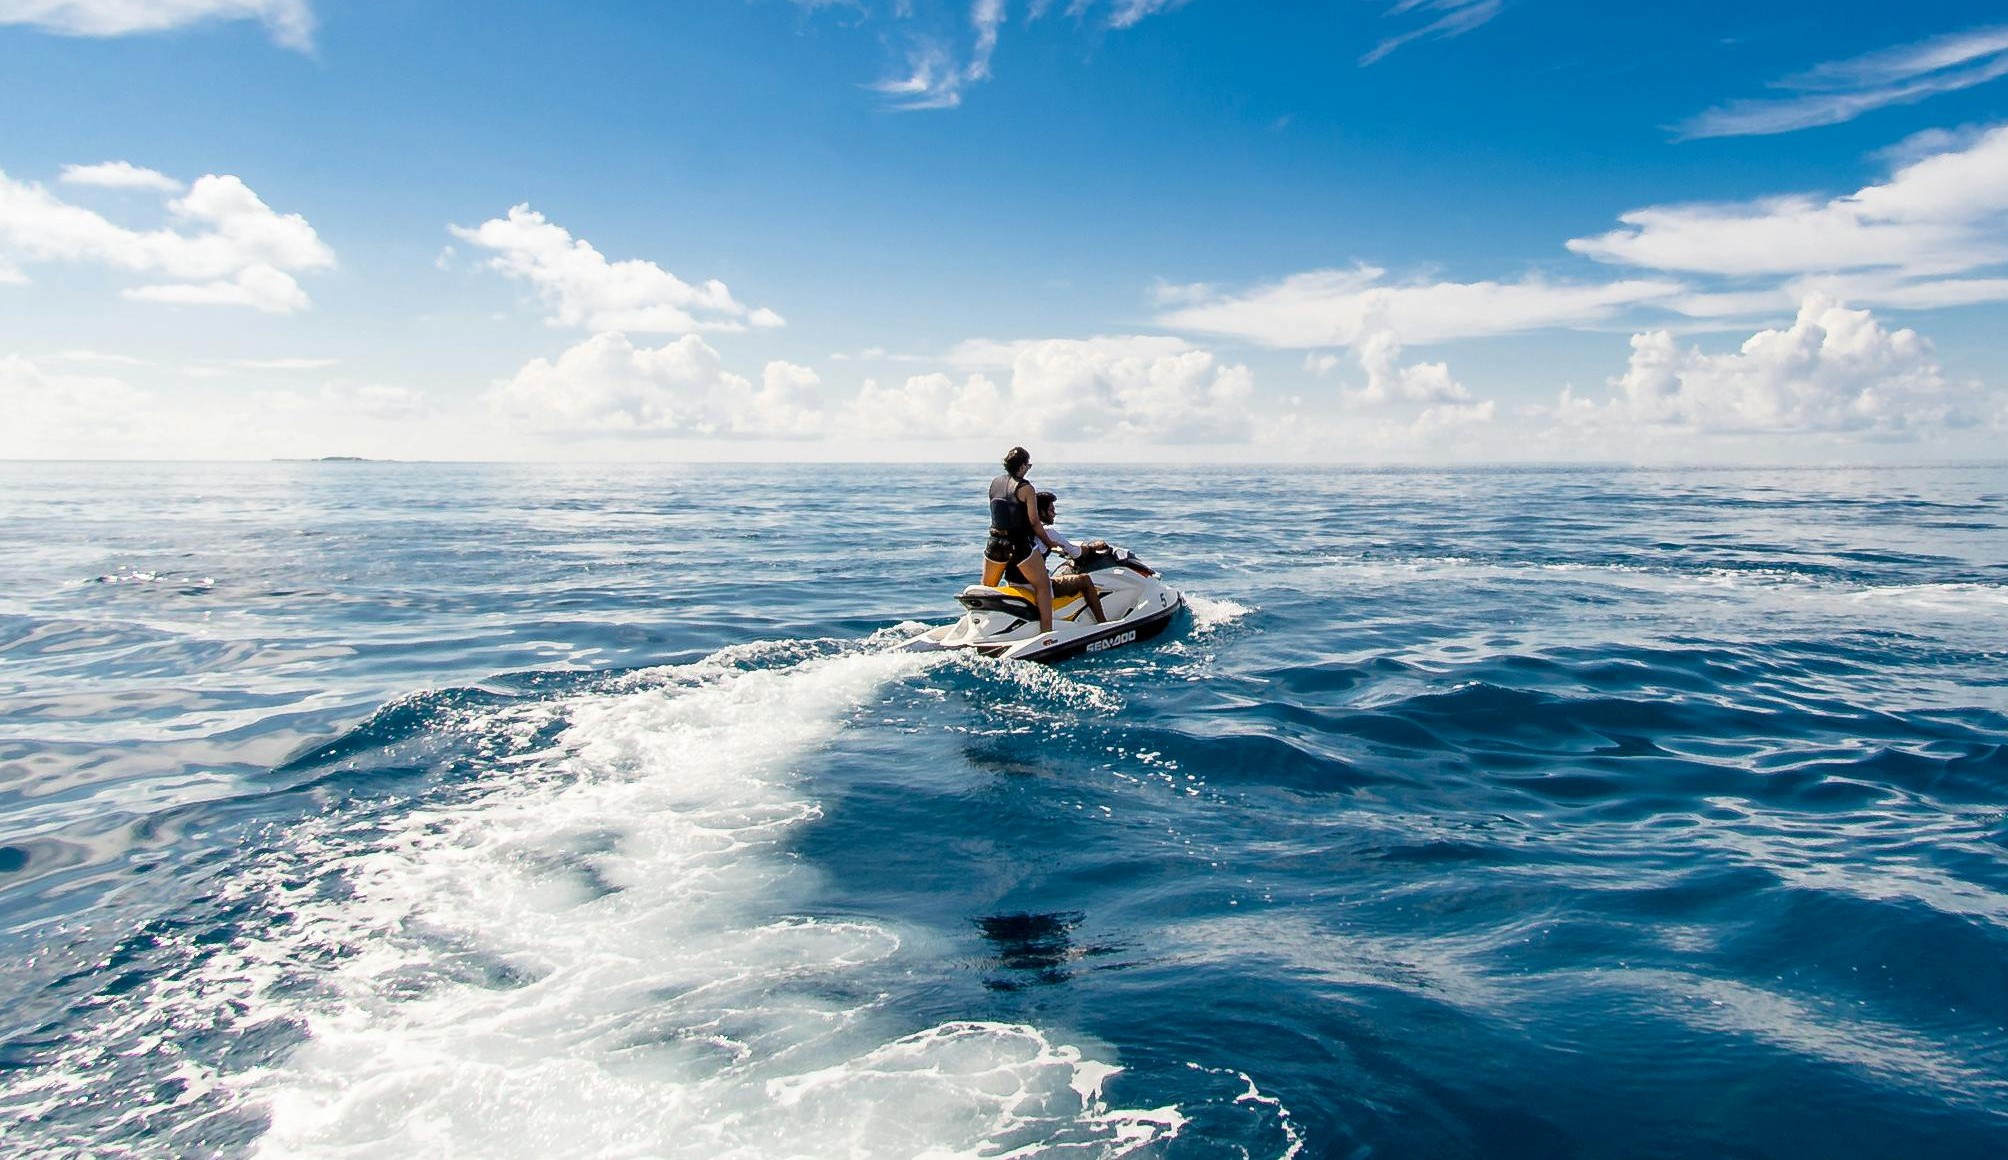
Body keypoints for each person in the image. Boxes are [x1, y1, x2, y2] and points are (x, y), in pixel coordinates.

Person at [983, 446, 1059, 632]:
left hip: (994, 543)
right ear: (1023, 466)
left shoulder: (994, 483)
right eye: (1028, 465)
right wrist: (1049, 543)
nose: (1028, 469)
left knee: (987, 588)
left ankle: (983, 627)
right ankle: (1047, 633)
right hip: (1017, 544)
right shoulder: (1026, 488)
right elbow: (1034, 522)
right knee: (1043, 585)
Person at [1007, 490, 1107, 624]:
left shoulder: (1020, 532)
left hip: (1015, 583)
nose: (1054, 514)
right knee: (1085, 580)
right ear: (1041, 512)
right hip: (1037, 586)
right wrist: (1091, 547)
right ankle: (1103, 623)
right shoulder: (1048, 532)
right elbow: (1076, 553)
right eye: (1051, 510)